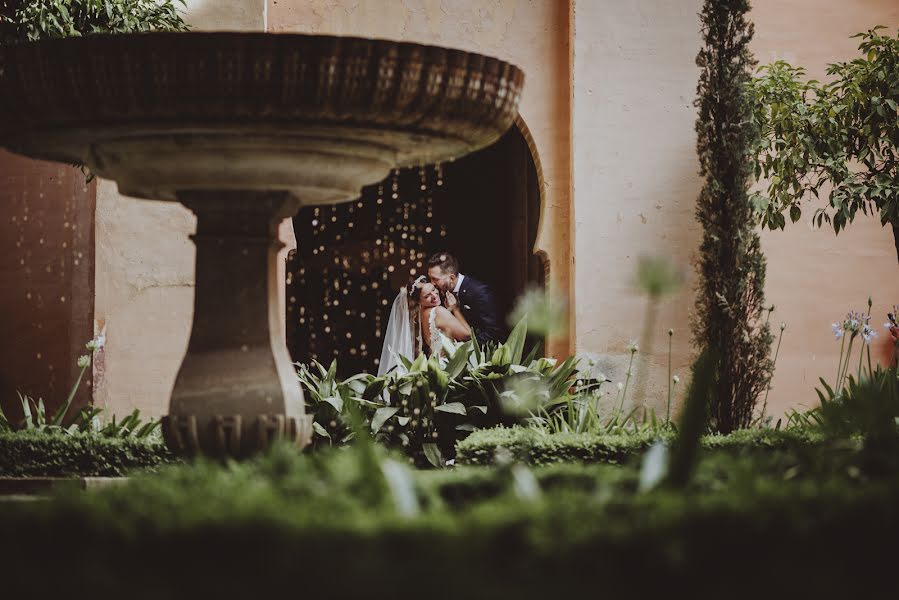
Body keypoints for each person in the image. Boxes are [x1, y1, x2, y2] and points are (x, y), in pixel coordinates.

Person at [377, 275, 471, 375]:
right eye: (427, 296)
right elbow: (468, 335)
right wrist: (455, 309)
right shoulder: (438, 312)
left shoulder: (420, 316)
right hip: (450, 368)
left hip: (436, 368)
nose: (434, 296)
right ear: (418, 301)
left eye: (433, 289)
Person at [427, 251, 502, 346]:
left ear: (452, 278)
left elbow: (493, 332)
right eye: (430, 278)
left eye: (435, 279)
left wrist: (461, 350)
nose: (432, 283)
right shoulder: (438, 293)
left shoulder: (479, 292)